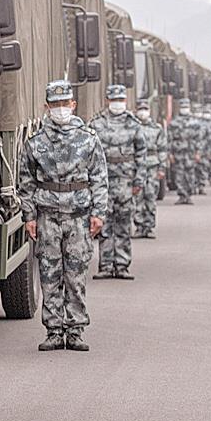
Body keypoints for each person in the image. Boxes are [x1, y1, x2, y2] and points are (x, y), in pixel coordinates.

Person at [17, 81, 109, 352]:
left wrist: (99, 213)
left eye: (64, 104)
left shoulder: (88, 138)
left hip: (79, 216)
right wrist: (29, 216)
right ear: (47, 107)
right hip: (47, 216)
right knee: (49, 273)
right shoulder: (35, 143)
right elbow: (26, 182)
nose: (60, 109)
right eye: (54, 105)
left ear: (73, 105)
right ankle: (54, 330)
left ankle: (76, 329)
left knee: (76, 273)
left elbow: (100, 178)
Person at [87, 84, 147, 279]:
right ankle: (105, 265)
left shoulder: (134, 124)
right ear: (107, 101)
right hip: (103, 183)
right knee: (103, 225)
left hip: (125, 182)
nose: (117, 104)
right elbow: (89, 154)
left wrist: (139, 180)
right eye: (114, 100)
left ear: (125, 101)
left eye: (120, 100)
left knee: (123, 224)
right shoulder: (97, 123)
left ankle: (121, 265)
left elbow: (141, 153)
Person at [133, 101, 167, 239]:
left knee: (151, 197)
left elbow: (162, 148)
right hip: (137, 167)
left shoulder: (157, 128)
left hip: (152, 166)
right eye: (140, 109)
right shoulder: (133, 127)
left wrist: (162, 168)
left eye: (145, 109)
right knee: (138, 198)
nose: (143, 112)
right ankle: (139, 226)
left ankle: (149, 226)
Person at [168, 98, 199, 205]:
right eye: (182, 107)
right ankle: (182, 195)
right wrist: (170, 154)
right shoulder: (174, 123)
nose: (184, 109)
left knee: (190, 175)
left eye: (186, 107)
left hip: (190, 152)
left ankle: (189, 195)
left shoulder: (194, 122)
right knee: (179, 175)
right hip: (178, 153)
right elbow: (169, 139)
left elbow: (198, 138)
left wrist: (198, 152)